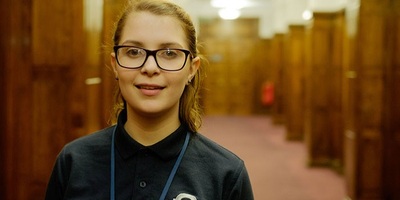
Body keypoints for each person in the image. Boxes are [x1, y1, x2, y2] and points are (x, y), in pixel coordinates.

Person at [45, 0, 254, 199]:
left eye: (169, 53)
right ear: (115, 63)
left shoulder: (226, 174)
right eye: (134, 52)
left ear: (192, 69)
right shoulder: (74, 161)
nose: (150, 68)